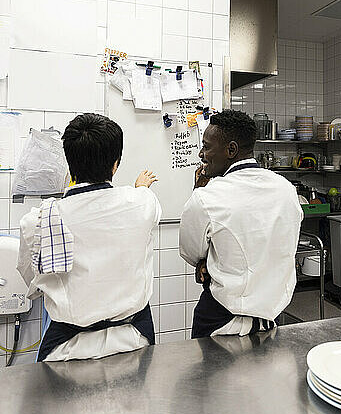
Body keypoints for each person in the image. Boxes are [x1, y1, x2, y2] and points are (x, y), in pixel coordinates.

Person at [17, 113, 161, 361]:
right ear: (116, 163)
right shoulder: (142, 203)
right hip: (133, 342)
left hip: (66, 351)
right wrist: (141, 188)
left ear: (69, 161)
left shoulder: (37, 221)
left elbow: (32, 277)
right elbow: (139, 202)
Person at [179, 109, 303, 338]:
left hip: (219, 320)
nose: (201, 153)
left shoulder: (207, 197)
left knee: (209, 374)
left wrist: (205, 261)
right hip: (271, 319)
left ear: (231, 150)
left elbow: (191, 253)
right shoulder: (286, 189)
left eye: (206, 146)